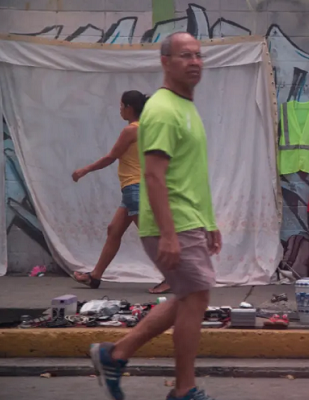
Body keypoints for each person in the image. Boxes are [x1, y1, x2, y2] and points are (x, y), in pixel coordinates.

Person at [89, 32, 222, 400]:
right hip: (174, 222)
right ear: (165, 62)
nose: (194, 62)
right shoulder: (163, 110)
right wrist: (168, 234)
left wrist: (209, 220)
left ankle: (115, 355)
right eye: (184, 55)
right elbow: (153, 175)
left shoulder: (186, 107)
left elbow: (192, 172)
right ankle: (184, 391)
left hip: (189, 219)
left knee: (186, 296)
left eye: (198, 55)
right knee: (194, 297)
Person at [72, 90, 151, 289]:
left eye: (121, 106)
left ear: (129, 108)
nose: (120, 111)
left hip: (135, 188)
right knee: (113, 230)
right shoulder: (146, 127)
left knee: (152, 237)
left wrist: (85, 170)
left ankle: (175, 277)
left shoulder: (130, 130)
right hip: (133, 189)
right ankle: (95, 276)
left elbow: (111, 157)